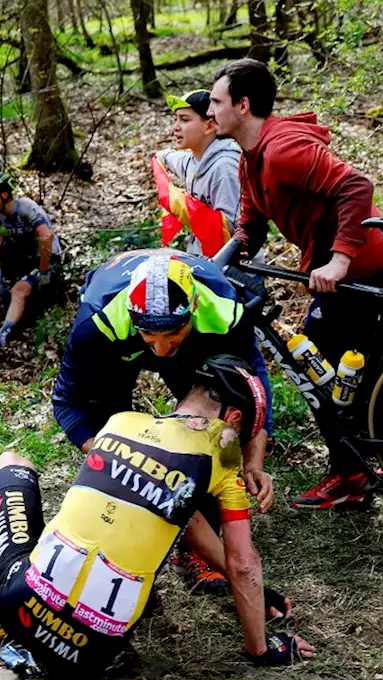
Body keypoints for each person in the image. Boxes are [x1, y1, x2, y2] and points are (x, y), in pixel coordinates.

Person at [0, 356, 314, 680]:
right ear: (233, 419)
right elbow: (240, 562)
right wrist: (261, 650)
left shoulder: (119, 423)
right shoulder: (220, 471)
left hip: (19, 603)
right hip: (99, 649)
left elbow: (193, 527)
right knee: (122, 576)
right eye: (241, 435)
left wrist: (259, 592)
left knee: (10, 462)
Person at [209, 58, 383, 509]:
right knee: (360, 367)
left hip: (359, 267)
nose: (210, 110)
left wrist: (338, 260)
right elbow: (250, 226)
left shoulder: (283, 149)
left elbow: (355, 187)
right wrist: (213, 263)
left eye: (216, 102)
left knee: (313, 365)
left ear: (243, 104)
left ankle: (353, 474)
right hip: (343, 269)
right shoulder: (250, 158)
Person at [52, 250, 274, 593]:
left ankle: (196, 546)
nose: (159, 348)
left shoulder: (225, 312)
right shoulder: (96, 323)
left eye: (172, 333)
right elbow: (67, 402)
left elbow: (251, 387)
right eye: (150, 336)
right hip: (118, 345)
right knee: (116, 437)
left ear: (195, 308)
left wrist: (253, 458)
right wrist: (112, 454)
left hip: (197, 345)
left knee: (218, 419)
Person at [0, 172, 62, 362]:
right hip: (25, 258)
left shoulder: (25, 207)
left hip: (47, 260)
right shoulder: (0, 214)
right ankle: (0, 291)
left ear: (4, 195)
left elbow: (46, 236)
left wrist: (44, 270)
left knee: (19, 290)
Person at [153, 89, 243, 258]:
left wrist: (183, 206)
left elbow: (230, 231)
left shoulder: (224, 168)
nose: (175, 127)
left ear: (209, 125)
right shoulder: (191, 160)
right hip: (202, 260)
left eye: (184, 120)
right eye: (176, 119)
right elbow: (169, 157)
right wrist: (159, 157)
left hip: (232, 271)